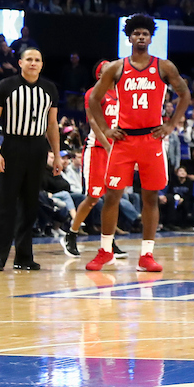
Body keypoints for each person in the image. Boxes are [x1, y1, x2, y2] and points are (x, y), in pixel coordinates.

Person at [86, 15, 190, 272]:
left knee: (150, 197)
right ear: (129, 37)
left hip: (151, 140)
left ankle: (146, 255)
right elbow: (93, 100)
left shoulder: (164, 67)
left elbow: (185, 94)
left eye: (145, 33)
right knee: (112, 195)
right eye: (136, 34)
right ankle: (105, 250)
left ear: (151, 38)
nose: (141, 37)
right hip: (124, 140)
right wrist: (108, 129)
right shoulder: (116, 68)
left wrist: (170, 124)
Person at [0, 47, 61, 270]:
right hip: (12, 145)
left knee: (31, 204)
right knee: (6, 203)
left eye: (37, 59)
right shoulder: (5, 86)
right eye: (29, 59)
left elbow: (52, 125)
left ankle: (24, 256)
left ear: (41, 64)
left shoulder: (49, 88)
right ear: (20, 62)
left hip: (38, 148)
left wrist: (56, 155)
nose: (33, 63)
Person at [61, 60, 126, 259]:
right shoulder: (93, 93)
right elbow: (94, 123)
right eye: (107, 70)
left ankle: (109, 240)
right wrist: (107, 146)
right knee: (93, 197)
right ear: (99, 75)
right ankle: (71, 234)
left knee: (113, 198)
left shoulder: (122, 94)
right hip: (97, 150)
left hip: (117, 151)